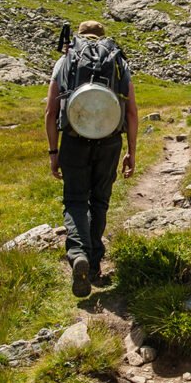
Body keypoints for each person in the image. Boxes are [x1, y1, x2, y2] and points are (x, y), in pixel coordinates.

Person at [44, 20, 138, 297]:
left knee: (75, 199)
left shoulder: (66, 60)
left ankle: (77, 253)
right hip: (109, 141)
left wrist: (53, 151)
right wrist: (131, 151)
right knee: (99, 200)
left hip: (74, 138)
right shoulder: (117, 60)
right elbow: (131, 111)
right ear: (103, 37)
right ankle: (94, 264)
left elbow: (50, 112)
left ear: (80, 37)